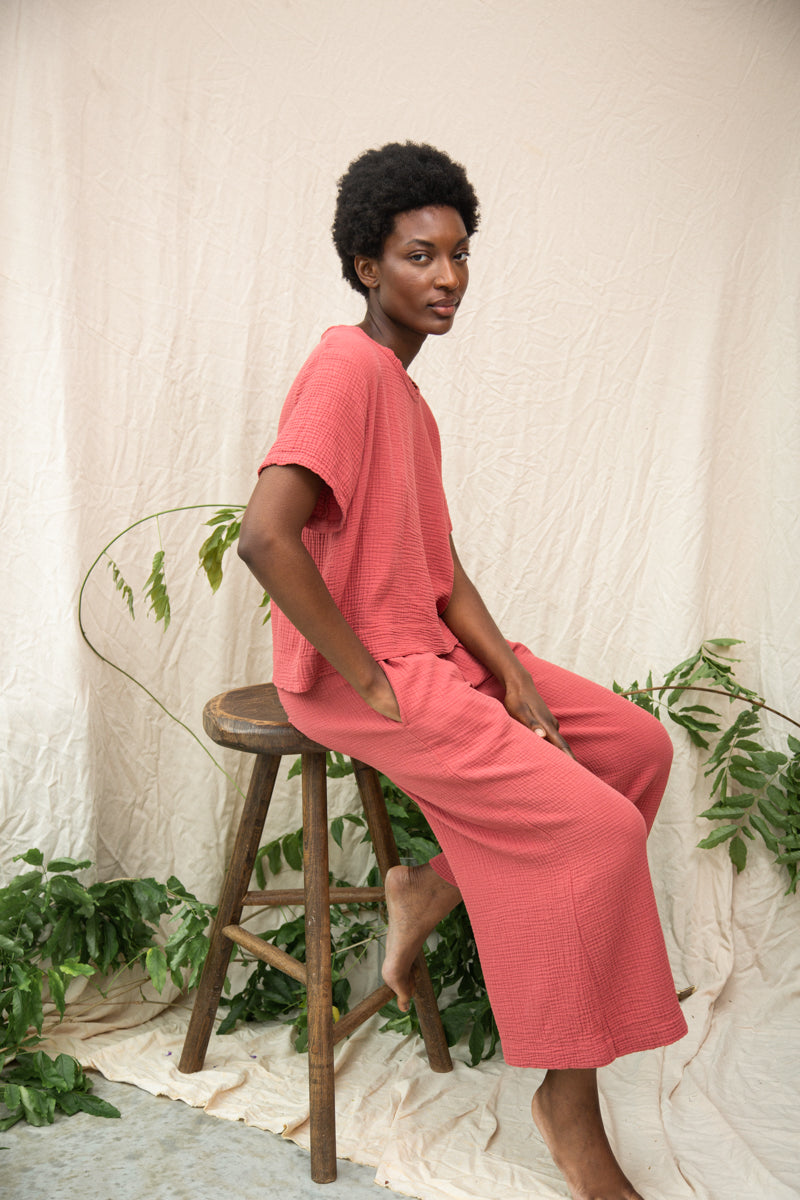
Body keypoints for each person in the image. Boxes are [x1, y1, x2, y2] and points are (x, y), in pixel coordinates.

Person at [238, 141, 687, 1200]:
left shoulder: (404, 396)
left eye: (458, 254)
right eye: (418, 256)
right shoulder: (346, 369)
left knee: (632, 746)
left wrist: (510, 675)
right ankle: (567, 1105)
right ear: (366, 267)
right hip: (365, 677)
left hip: (428, 647)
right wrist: (368, 676)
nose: (447, 277)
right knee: (597, 829)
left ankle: (432, 882)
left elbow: (437, 566)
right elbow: (265, 536)